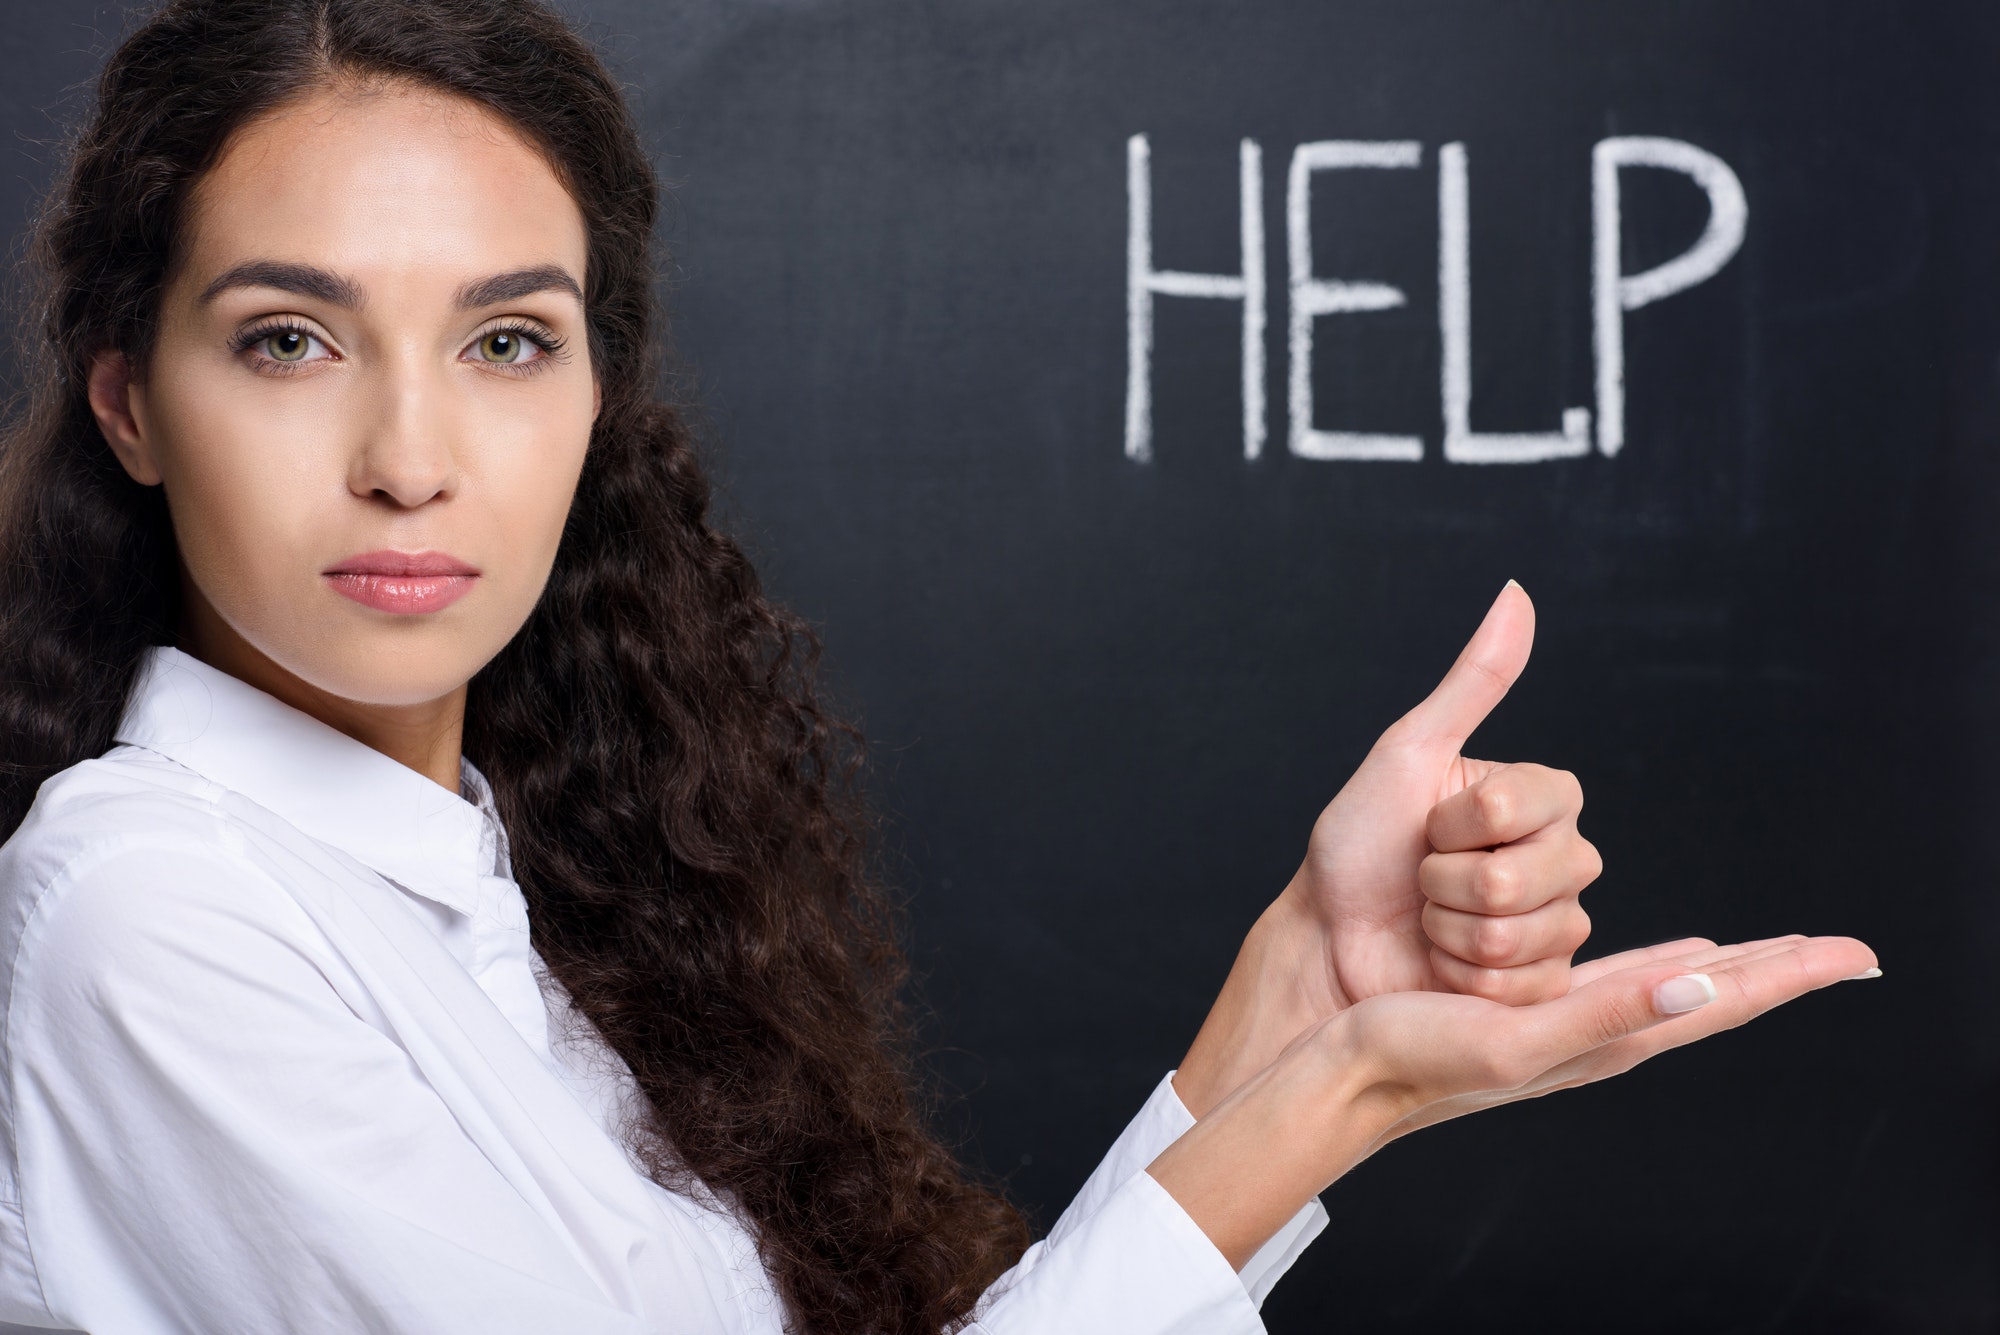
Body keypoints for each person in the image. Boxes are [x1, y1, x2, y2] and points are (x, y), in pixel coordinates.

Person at [0, 1, 1877, 1332]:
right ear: (130, 404)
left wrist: (1299, 1003)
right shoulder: (145, 909)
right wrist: (1344, 1097)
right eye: (287, 342)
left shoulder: (507, 890)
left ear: (595, 402)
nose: (411, 455)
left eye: (505, 343)